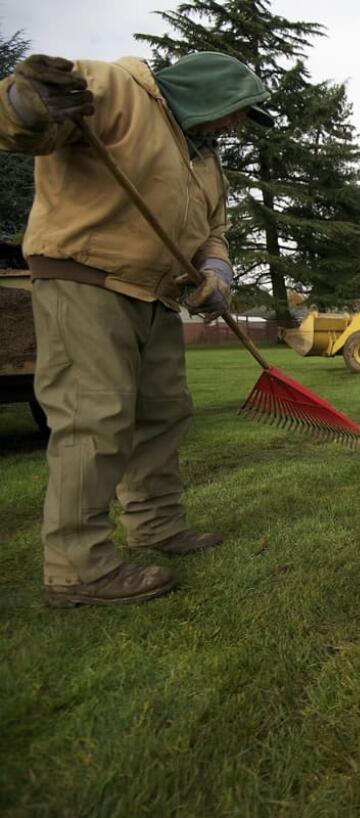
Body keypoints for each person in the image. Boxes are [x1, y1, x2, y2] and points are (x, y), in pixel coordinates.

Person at [0, 52, 273, 607]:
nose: (234, 126)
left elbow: (213, 231)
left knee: (163, 413)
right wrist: (25, 105)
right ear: (209, 94)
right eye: (236, 113)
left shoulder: (205, 161)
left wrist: (217, 268)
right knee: (93, 415)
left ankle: (155, 525)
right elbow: (27, 125)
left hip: (158, 295)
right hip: (88, 279)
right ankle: (78, 568)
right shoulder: (118, 89)